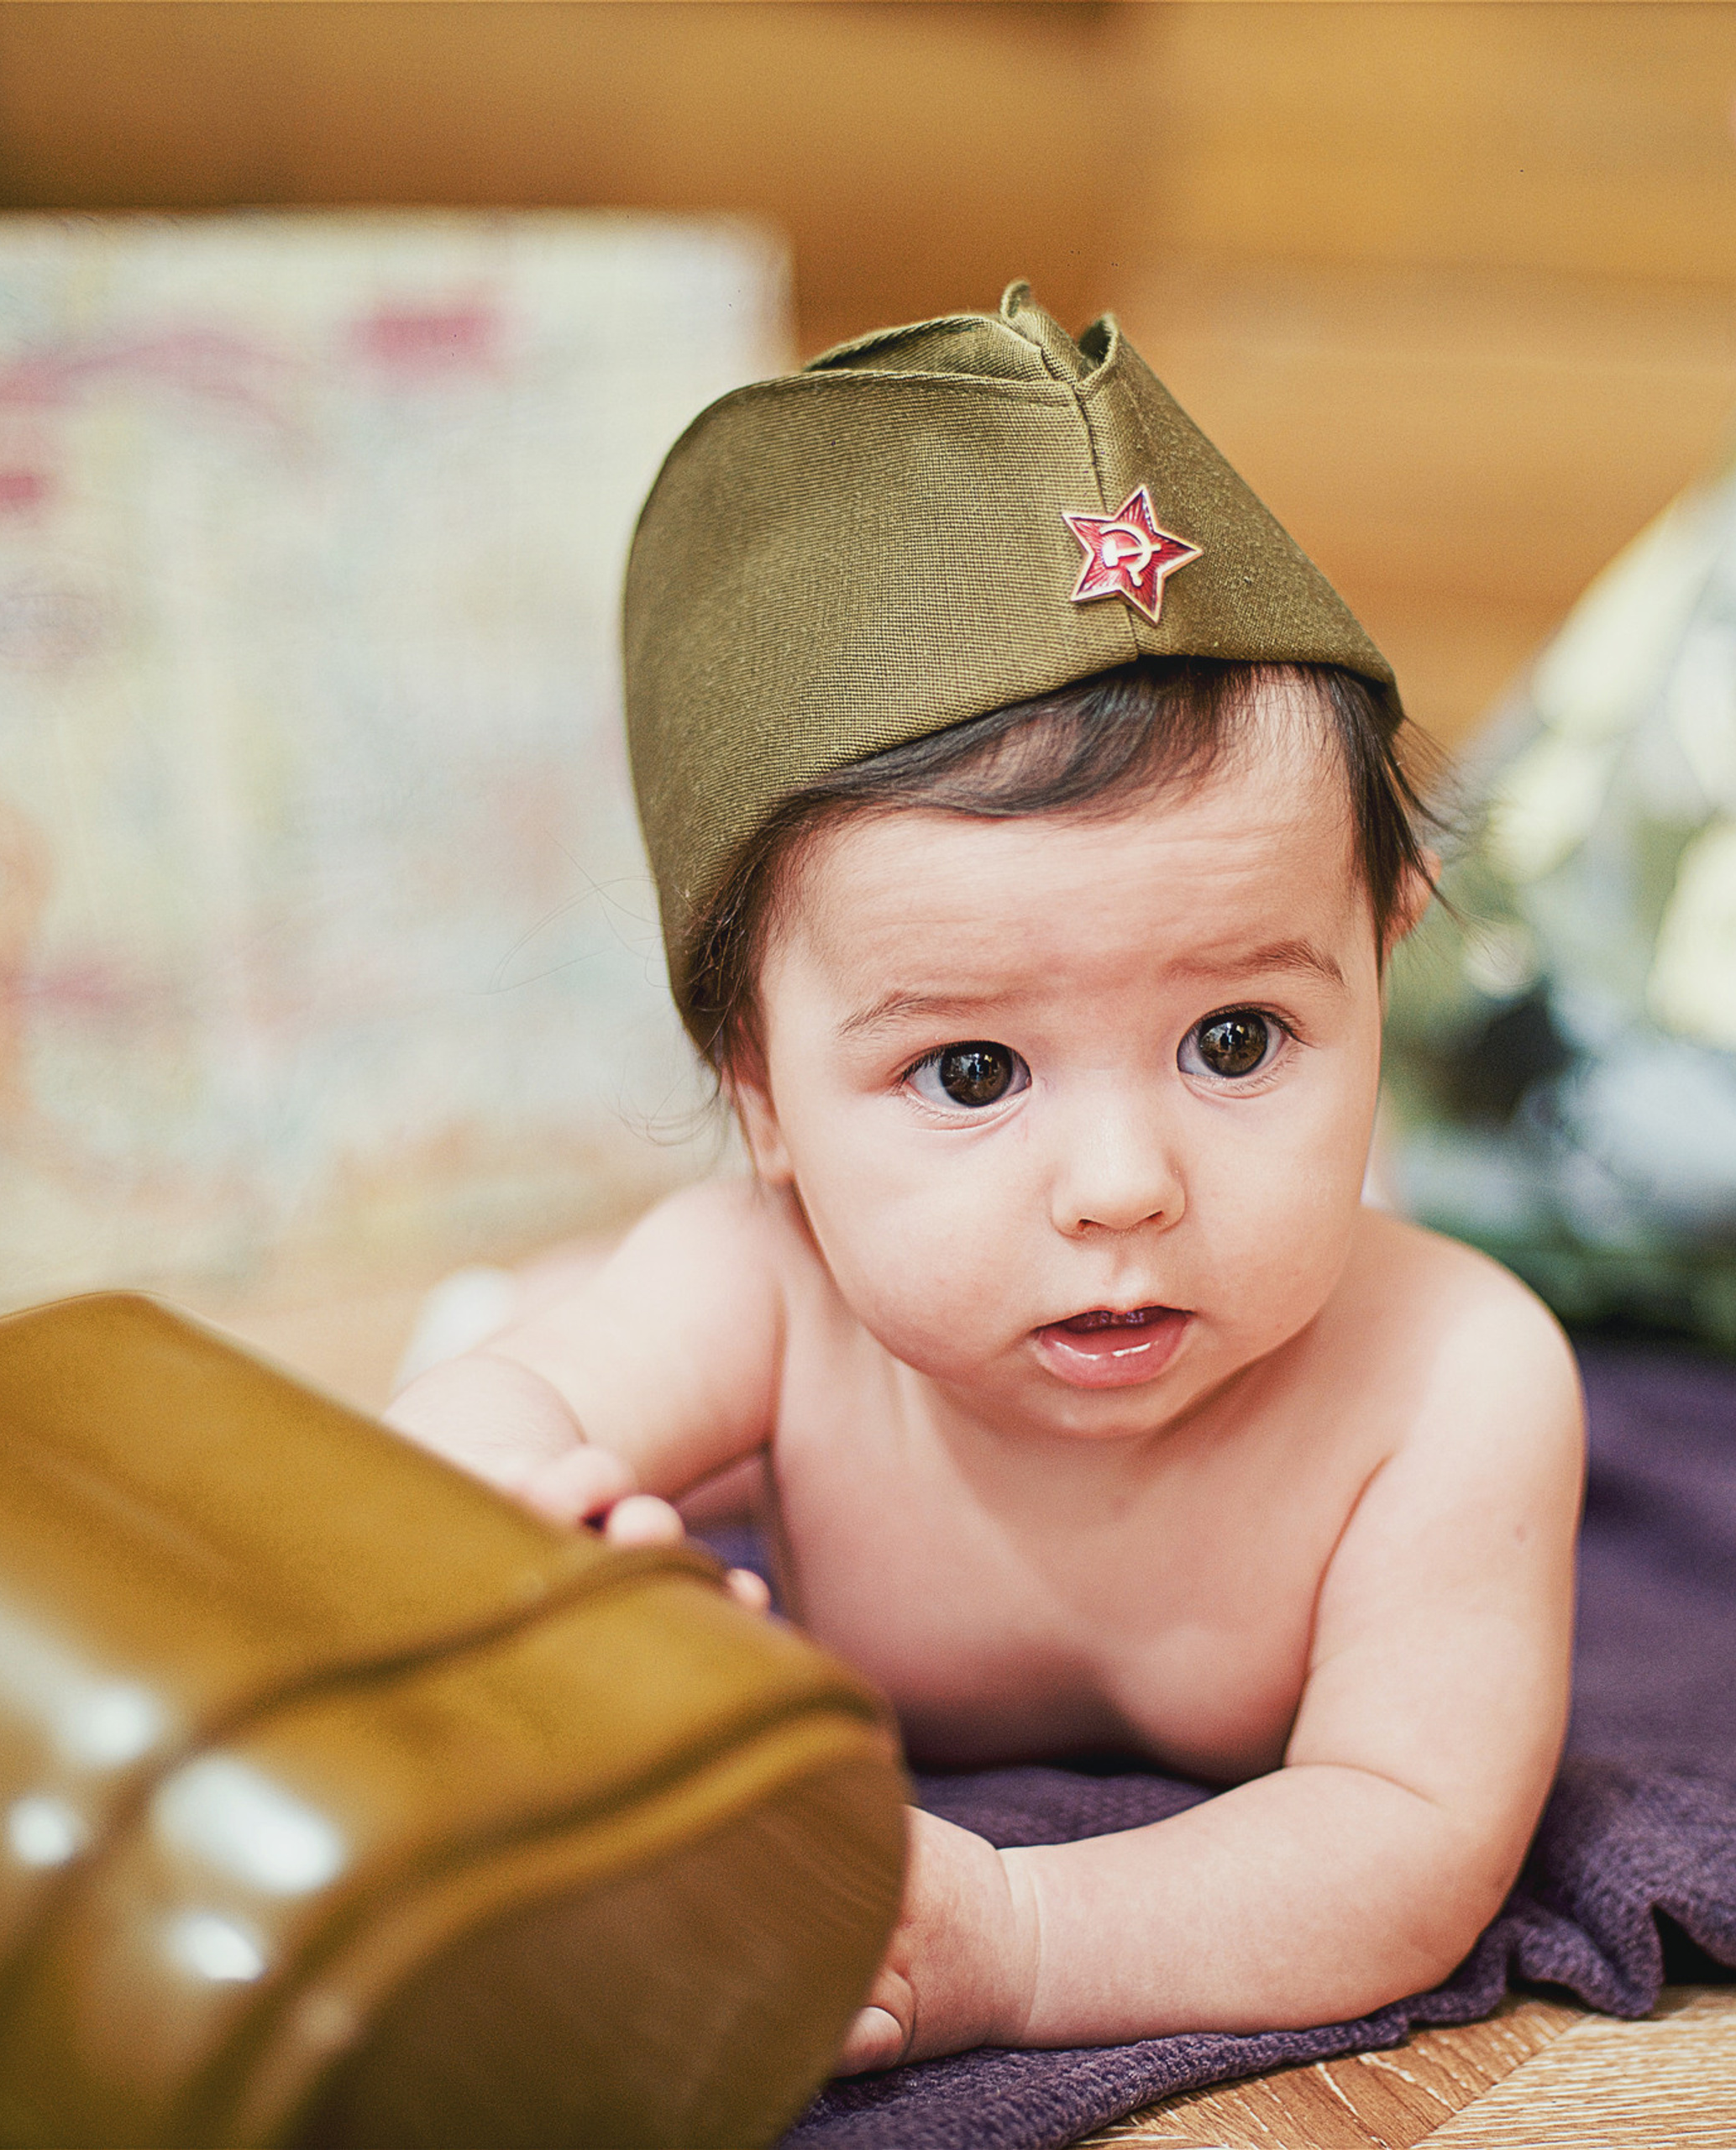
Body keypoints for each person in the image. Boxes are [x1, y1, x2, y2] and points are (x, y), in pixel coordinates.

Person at [385, 283, 1584, 2071]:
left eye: (1236, 1039)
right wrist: (518, 1524)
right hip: (703, 1311)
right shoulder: (769, 1281)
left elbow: (1404, 1837)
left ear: (1382, 959)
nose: (1119, 1187)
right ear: (761, 1090)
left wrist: (1017, 1938)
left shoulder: (1446, 1381)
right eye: (970, 1071)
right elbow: (468, 1441)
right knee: (510, 1367)